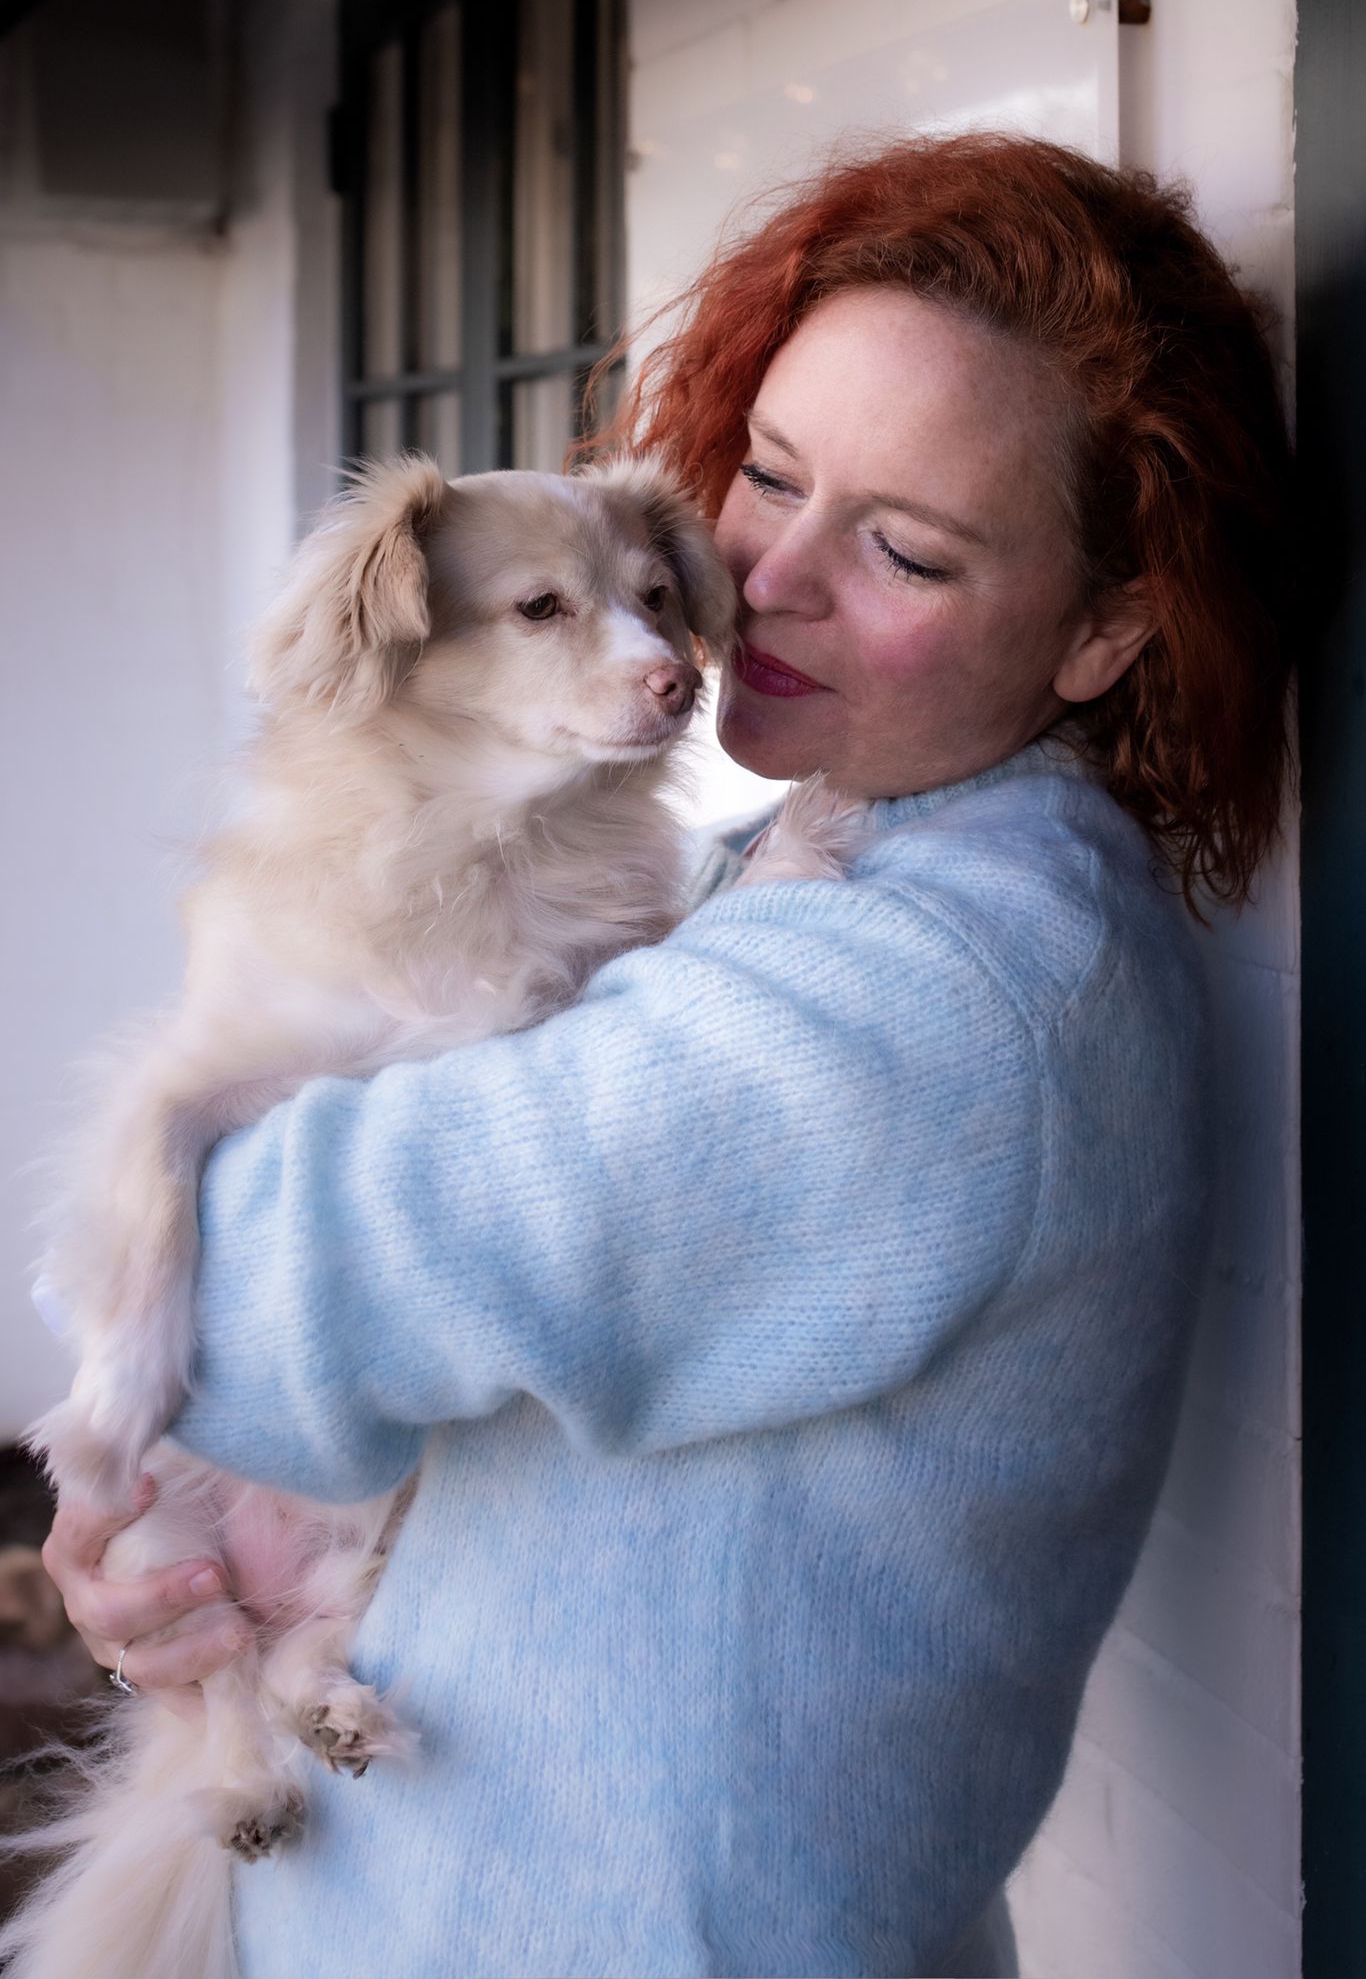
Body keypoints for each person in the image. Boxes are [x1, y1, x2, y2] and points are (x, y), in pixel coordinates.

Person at [40, 132, 1292, 1978]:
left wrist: (125, 1425)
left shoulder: (934, 997)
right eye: (769, 477)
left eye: (904, 550)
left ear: (1105, 632)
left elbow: (254, 1307)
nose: (761, 582)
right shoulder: (826, 866)